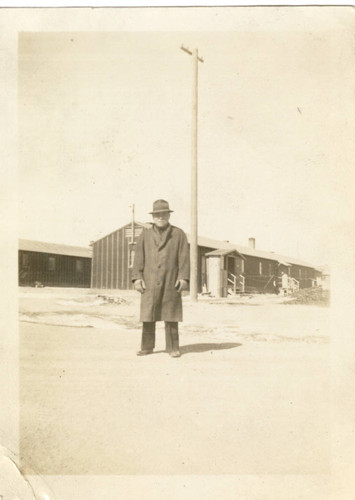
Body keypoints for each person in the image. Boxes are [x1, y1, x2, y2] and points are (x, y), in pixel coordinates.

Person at [132, 199, 190, 358]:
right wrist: (137, 278)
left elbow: (184, 258)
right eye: (157, 214)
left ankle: (173, 348)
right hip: (149, 281)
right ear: (153, 216)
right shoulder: (145, 234)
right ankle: (147, 347)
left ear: (168, 215)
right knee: (148, 315)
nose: (160, 217)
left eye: (164, 214)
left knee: (171, 314)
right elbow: (138, 258)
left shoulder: (178, 234)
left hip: (171, 280)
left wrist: (183, 278)